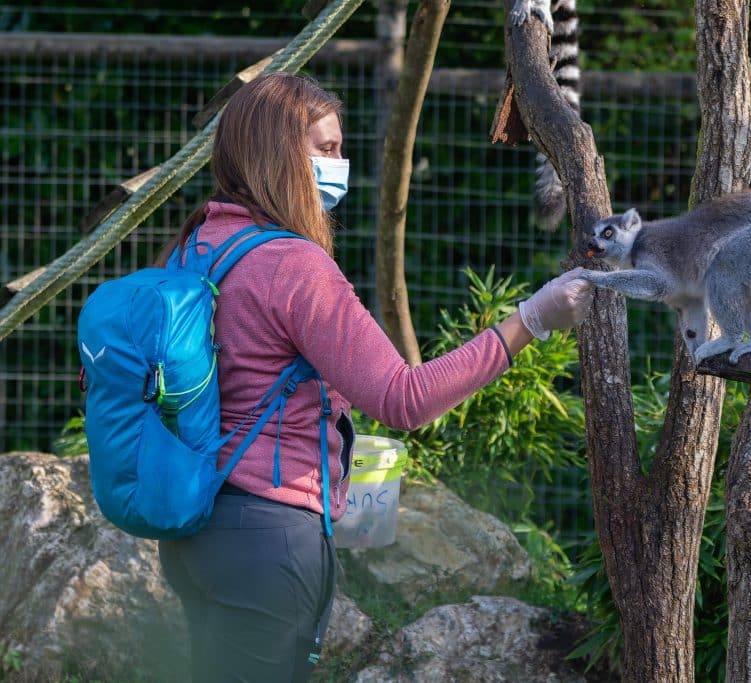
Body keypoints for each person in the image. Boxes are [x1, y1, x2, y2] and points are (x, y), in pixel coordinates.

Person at [156, 71, 594, 683]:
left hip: (194, 529)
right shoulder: (293, 265)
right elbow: (403, 398)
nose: (342, 162)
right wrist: (531, 320)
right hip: (268, 540)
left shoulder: (197, 247)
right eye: (327, 148)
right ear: (279, 154)